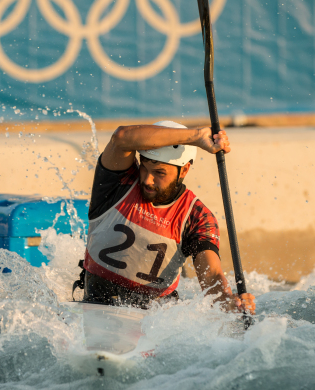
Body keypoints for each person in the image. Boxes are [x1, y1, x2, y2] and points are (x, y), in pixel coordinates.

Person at [75, 120, 256, 315]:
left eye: (159, 172)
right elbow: (121, 137)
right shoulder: (118, 183)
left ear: (184, 170)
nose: (147, 179)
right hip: (95, 304)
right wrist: (197, 137)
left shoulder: (197, 217)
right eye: (144, 167)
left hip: (155, 320)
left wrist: (228, 301)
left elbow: (211, 276)